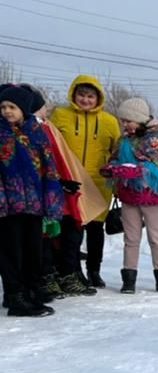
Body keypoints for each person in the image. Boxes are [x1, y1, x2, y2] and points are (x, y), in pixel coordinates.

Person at [25, 85, 103, 298]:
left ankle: (68, 274)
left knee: (70, 233)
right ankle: (49, 277)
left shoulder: (48, 126)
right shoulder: (43, 125)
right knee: (49, 235)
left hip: (69, 187)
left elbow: (61, 157)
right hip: (49, 190)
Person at [103, 97, 158, 294]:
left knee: (156, 238)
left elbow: (155, 166)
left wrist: (134, 170)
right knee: (131, 238)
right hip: (129, 196)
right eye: (123, 121)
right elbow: (114, 159)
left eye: (127, 120)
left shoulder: (154, 139)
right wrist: (112, 168)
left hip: (152, 196)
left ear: (139, 119)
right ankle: (129, 279)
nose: (125, 125)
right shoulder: (124, 140)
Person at [1, 84, 64, 317]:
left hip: (34, 204)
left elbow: (49, 168)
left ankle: (31, 291)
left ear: (24, 109)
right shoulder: (1, 133)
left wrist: (52, 199)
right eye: (4, 107)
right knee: (10, 252)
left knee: (33, 250)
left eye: (12, 107)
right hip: (8, 206)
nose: (7, 111)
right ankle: (15, 296)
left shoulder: (36, 133)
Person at [49, 75, 118, 287]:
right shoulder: (60, 115)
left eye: (90, 96)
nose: (86, 100)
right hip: (70, 183)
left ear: (98, 98)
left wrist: (114, 175)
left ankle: (94, 271)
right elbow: (50, 145)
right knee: (72, 230)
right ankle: (73, 272)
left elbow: (116, 151)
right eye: (81, 95)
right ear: (73, 95)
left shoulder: (109, 121)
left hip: (99, 183)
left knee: (96, 231)